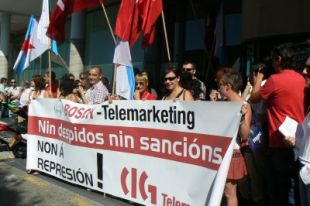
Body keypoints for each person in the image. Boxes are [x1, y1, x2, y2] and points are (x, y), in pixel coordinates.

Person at [251, 47, 307, 205]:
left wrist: (258, 79)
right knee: (295, 187)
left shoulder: (274, 80)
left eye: (273, 59)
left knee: (279, 188)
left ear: (279, 59)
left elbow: (254, 98)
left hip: (278, 141)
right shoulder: (302, 79)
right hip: (300, 140)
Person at [219, 71, 252, 206]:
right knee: (218, 192)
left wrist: (242, 118)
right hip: (216, 152)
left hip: (231, 152)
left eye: (220, 85)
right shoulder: (221, 104)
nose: (218, 88)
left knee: (229, 193)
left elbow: (245, 135)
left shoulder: (244, 105)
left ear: (227, 86)